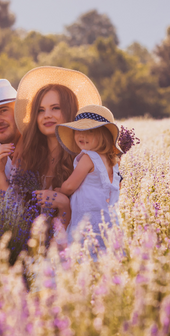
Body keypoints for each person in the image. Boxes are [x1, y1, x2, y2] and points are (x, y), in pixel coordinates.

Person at [0, 66, 101, 227]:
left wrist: (64, 204)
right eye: (40, 110)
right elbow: (13, 208)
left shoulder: (84, 158)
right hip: (29, 242)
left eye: (55, 108)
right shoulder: (27, 155)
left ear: (70, 111)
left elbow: (91, 217)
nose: (47, 115)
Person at [54, 105, 122, 250]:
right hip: (109, 222)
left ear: (103, 136)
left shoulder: (88, 158)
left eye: (89, 131)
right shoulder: (113, 162)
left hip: (88, 221)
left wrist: (60, 190)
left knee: (83, 253)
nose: (82, 135)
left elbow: (70, 186)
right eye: (78, 131)